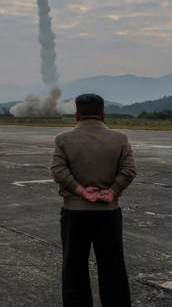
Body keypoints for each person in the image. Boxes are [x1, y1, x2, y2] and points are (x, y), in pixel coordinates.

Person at [50, 93, 137, 307]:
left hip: (74, 212)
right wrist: (113, 191)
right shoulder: (120, 139)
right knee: (113, 267)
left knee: (74, 267)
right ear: (103, 114)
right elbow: (129, 169)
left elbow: (58, 170)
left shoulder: (63, 139)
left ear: (77, 115)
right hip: (108, 212)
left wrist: (80, 190)